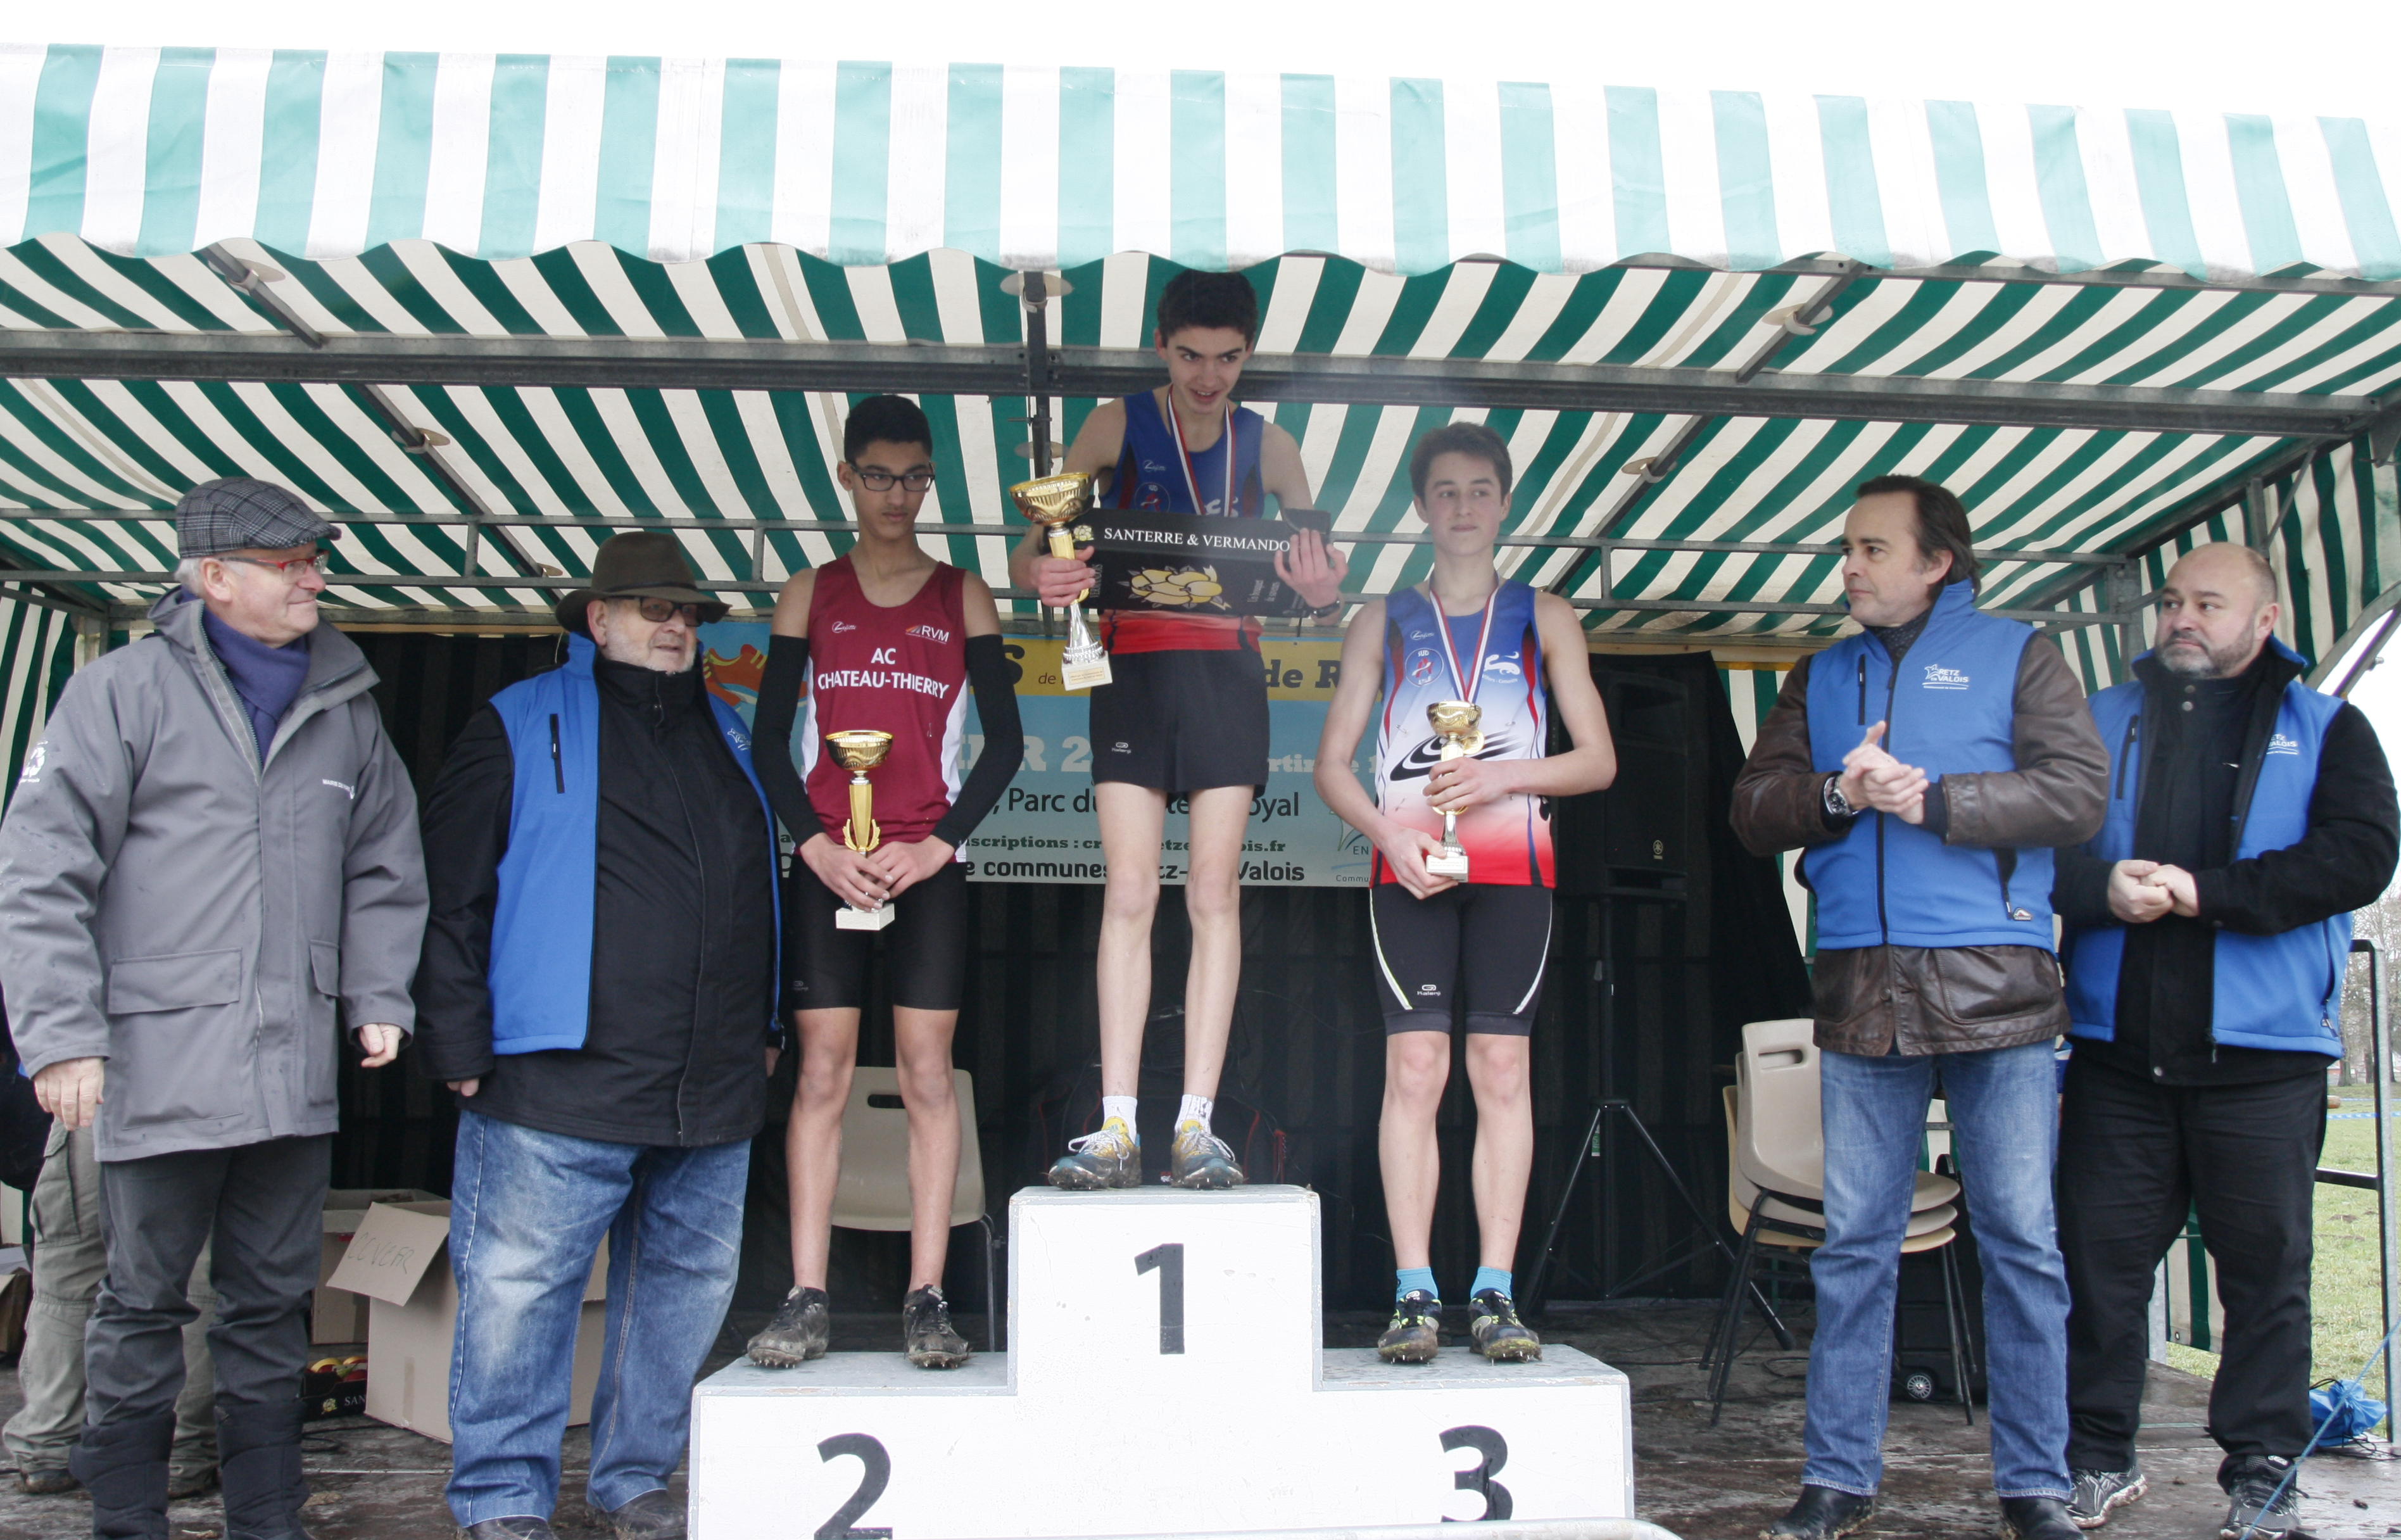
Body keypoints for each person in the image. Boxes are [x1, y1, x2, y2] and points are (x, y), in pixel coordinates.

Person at [0, 477, 427, 1540]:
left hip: (293, 1076)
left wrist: (377, 992)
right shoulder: (120, 692)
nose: (314, 579)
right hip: (154, 1066)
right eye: (291, 564)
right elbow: (42, 870)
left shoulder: (348, 706)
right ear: (215, 576)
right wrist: (62, 1036)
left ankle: (267, 1521)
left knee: (272, 1310)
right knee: (141, 1303)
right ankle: (127, 1521)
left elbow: (386, 863)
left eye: (315, 561)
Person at [1729, 474, 2108, 1540]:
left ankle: (2035, 1486)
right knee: (1854, 1245)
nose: (1849, 567)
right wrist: (1840, 793)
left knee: (2021, 1243)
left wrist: (1936, 800)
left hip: (2001, 988)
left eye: (1872, 549)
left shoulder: (2021, 653)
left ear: (1938, 561)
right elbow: (1753, 809)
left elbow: (2079, 794)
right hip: (1861, 988)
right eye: (1846, 549)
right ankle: (1837, 1479)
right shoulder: (1818, 673)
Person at [414, 533, 781, 1540]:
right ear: (598, 618)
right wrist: (455, 1039)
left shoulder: (731, 728)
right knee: (521, 1294)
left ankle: (635, 1479)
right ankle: (501, 1496)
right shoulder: (518, 719)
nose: (676, 627)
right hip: (555, 1077)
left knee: (681, 1294)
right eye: (655, 609)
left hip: (708, 1086)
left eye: (689, 613)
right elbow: (449, 892)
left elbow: (759, 887)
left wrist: (766, 1024)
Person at [2050, 543, 2397, 1538]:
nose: (2182, 619)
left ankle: (2262, 1470)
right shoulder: (2100, 719)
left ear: (2266, 619)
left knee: (2267, 1277)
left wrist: (2208, 894)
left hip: (2265, 1060)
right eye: (2171, 602)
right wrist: (2100, 887)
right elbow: (2036, 852)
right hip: (2117, 1054)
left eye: (2208, 602)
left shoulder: (2329, 728)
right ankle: (2095, 1458)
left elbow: (2361, 856)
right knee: (2097, 1269)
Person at [1008, 269, 1345, 1189]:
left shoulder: (1272, 446)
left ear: (1248, 354)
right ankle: (1117, 1125)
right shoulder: (1113, 425)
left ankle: (1197, 1125)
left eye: (1227, 359)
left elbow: (1320, 582)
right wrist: (1043, 572)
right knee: (1128, 891)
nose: (1208, 377)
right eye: (1191, 356)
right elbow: (1033, 548)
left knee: (1213, 892)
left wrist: (1324, 593)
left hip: (1228, 671)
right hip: (1130, 666)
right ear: (1161, 345)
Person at [1311, 422, 1616, 1364]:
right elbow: (1330, 766)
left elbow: (1599, 761)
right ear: (1420, 506)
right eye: (1445, 491)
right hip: (1409, 870)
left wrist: (1501, 777)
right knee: (1415, 1070)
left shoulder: (1546, 615)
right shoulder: (1383, 618)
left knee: (1501, 1072)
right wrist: (1386, 833)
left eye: (1481, 489)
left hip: (1514, 870)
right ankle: (1414, 1292)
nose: (1464, 507)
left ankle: (1494, 1291)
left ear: (1506, 502)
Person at [740, 396, 1024, 1371]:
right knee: (820, 1073)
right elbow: (767, 743)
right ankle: (806, 1294)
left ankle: (926, 1297)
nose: (895, 496)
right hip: (830, 866)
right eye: (877, 476)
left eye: (912, 478)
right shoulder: (809, 592)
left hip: (926, 870)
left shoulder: (962, 594)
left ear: (930, 479)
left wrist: (938, 845)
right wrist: (817, 848)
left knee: (926, 1076)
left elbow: (1005, 745)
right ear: (847, 477)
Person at [4, 1122, 221, 1502]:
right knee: (196, 1276)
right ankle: (180, 1454)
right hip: (205, 1114)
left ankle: (49, 1448)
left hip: (99, 1107)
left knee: (70, 1273)